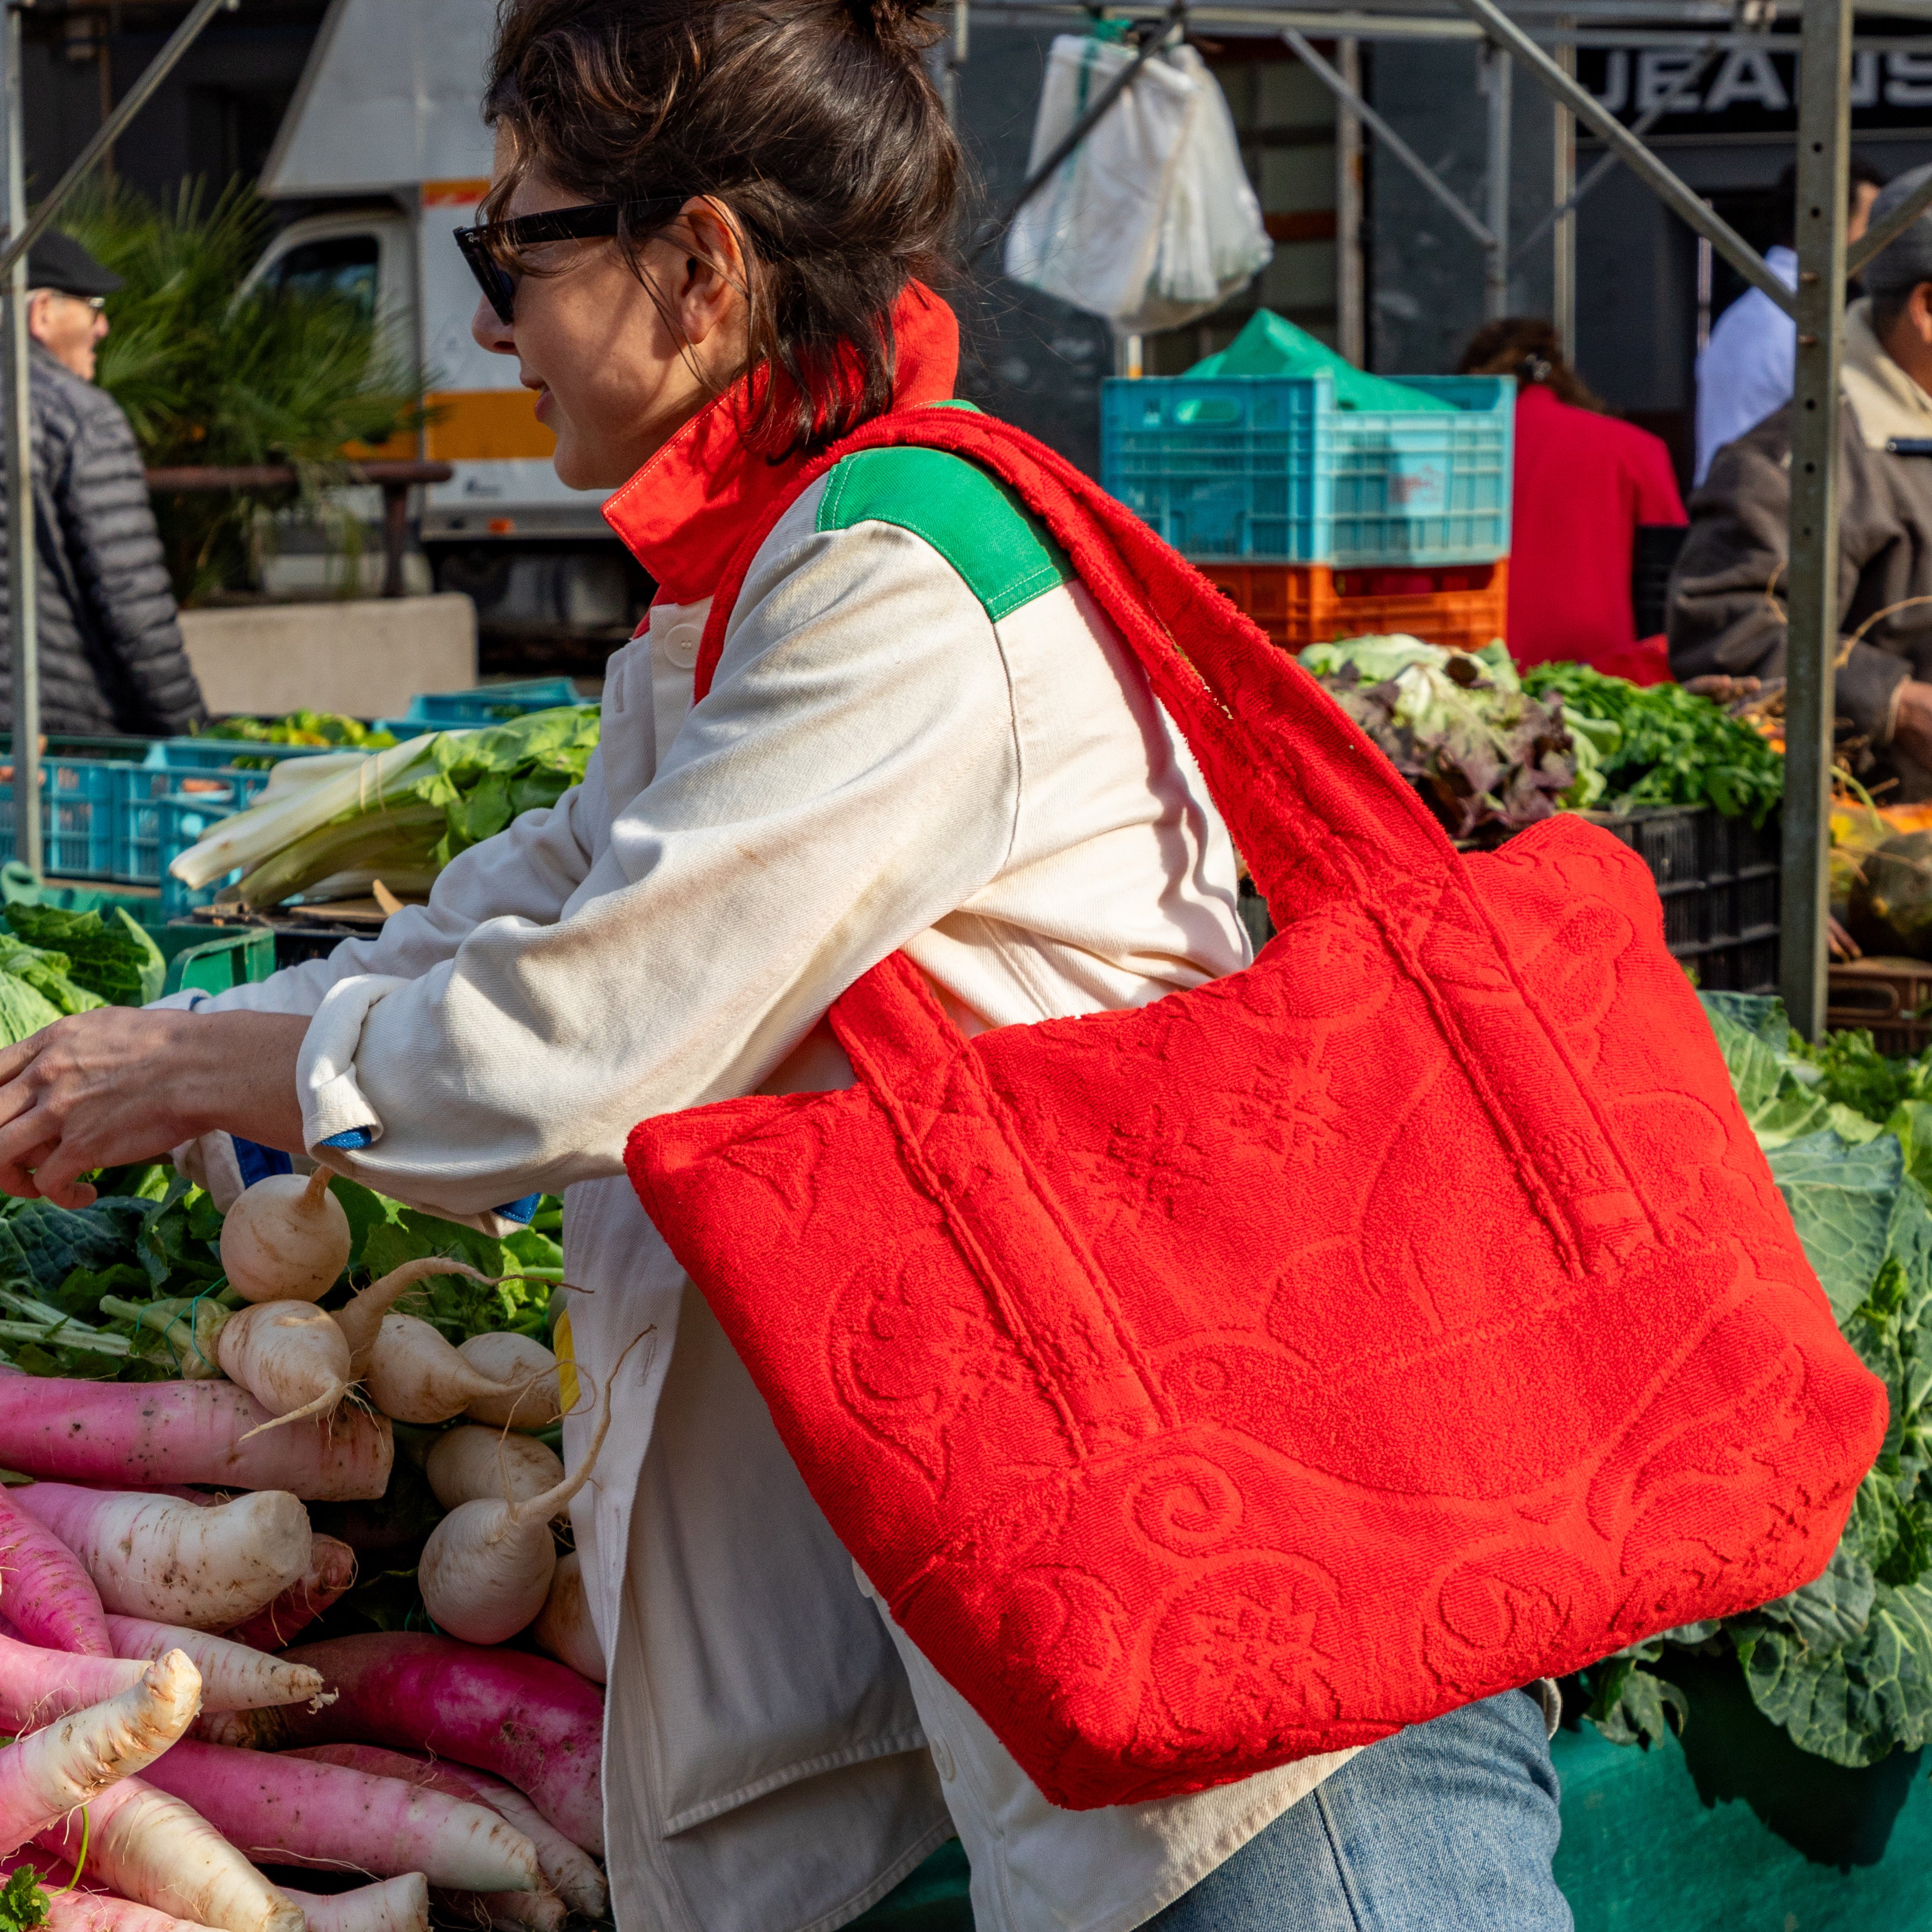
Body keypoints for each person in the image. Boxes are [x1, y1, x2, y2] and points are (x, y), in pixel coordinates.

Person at [0, 4, 1574, 1929]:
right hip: (1128, 1644)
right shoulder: (748, 590)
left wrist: (198, 1078)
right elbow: (518, 906)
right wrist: (142, 1043)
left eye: (518, 252)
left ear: (702, 265)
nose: (490, 322)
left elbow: (578, 1038)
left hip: (1294, 1717)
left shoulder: (899, 587)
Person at [1671, 162, 1932, 806]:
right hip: (1874, 847)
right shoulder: (1795, 456)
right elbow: (1729, 630)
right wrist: (1896, 702)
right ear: (1928, 309)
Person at [0, 229, 206, 738]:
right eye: (93, 307)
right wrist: (194, 737)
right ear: (42, 313)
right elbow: (133, 605)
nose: (104, 326)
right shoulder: (78, 417)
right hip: (60, 749)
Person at [1457, 316, 1685, 683]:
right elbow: (1668, 578)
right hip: (1603, 674)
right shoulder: (1636, 449)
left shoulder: (1447, 447)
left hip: (1471, 665)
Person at [1693, 156, 1887, 486]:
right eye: (1871, 225)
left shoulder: (1745, 317)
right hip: (1771, 519)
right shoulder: (1801, 322)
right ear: (1825, 222)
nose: (1882, 242)